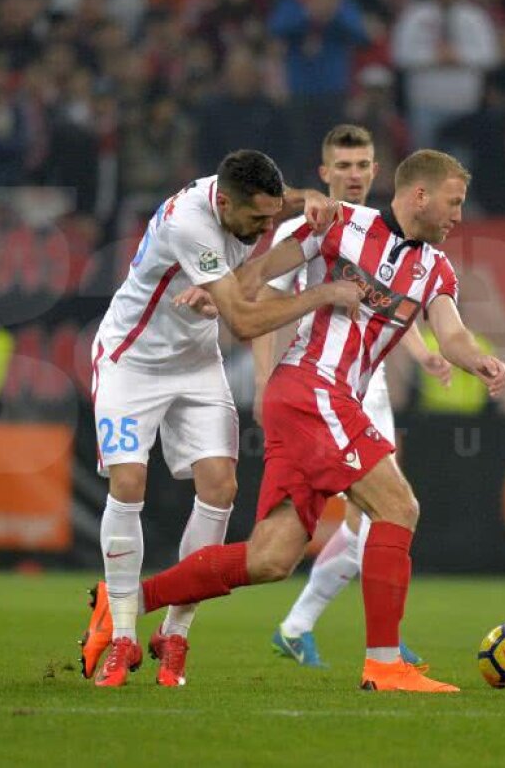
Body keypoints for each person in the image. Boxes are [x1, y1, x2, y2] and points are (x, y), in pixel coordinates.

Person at [135, 150, 505, 693]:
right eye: (454, 203)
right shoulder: (341, 224)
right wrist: (221, 289)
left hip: (321, 403)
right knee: (398, 507)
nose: (458, 216)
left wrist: (476, 359)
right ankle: (384, 664)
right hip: (313, 389)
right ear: (421, 195)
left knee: (271, 558)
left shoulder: (436, 269)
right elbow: (264, 268)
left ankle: (124, 601)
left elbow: (450, 334)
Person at [80, 149, 362, 688]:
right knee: (129, 482)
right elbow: (247, 320)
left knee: (220, 486)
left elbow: (279, 206)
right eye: (256, 220)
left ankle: (175, 634)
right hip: (129, 360)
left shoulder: (241, 197)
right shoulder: (192, 225)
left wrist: (310, 199)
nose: (264, 228)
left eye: (270, 215)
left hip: (196, 364)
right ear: (225, 203)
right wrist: (323, 294)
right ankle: (119, 635)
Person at [251, 124, 452, 669]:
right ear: (325, 174)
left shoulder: (388, 236)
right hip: (311, 378)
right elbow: (266, 305)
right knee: (379, 509)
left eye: (364, 165)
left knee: (376, 511)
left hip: (367, 382)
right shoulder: (311, 228)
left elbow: (389, 301)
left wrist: (423, 353)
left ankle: (304, 626)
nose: (356, 176)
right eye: (344, 167)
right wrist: (262, 377)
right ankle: (362, 638)